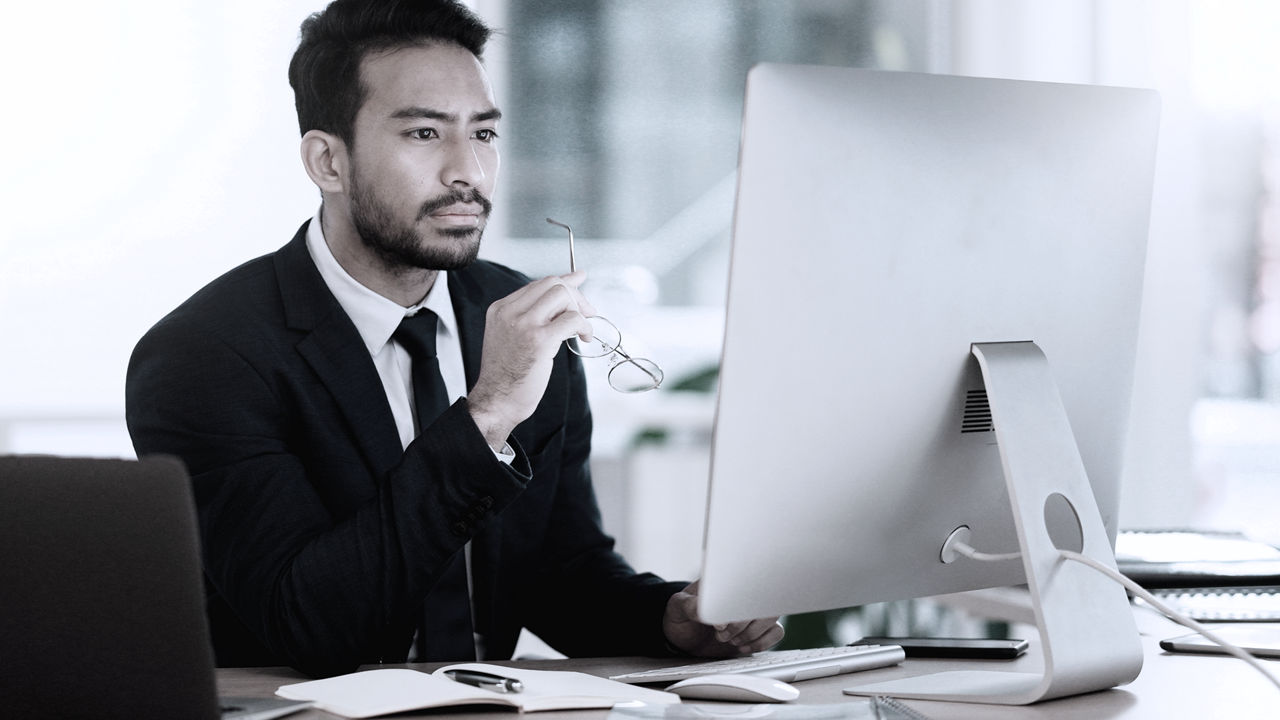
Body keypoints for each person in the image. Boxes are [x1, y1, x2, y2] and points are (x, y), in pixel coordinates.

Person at [125, 0, 782, 678]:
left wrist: (668, 620)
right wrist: (488, 413)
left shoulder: (515, 318)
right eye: (423, 135)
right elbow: (312, 627)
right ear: (328, 162)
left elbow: (561, 575)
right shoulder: (205, 357)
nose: (467, 171)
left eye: (485, 134)